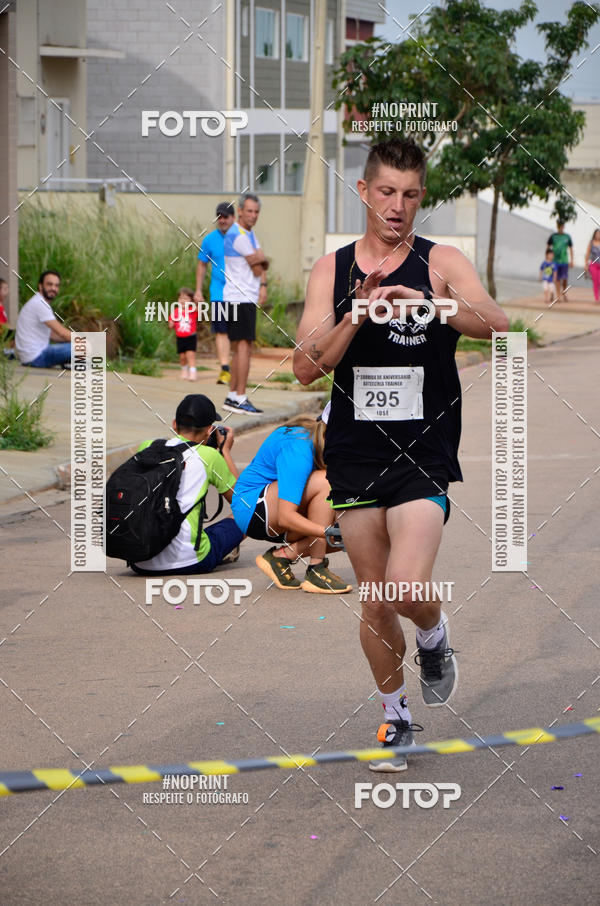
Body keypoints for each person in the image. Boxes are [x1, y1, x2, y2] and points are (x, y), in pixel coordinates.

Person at [294, 137, 509, 771]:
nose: (398, 206)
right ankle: (395, 717)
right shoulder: (330, 271)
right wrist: (358, 312)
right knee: (375, 598)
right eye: (386, 192)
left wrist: (434, 307)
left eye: (411, 195)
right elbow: (307, 366)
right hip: (357, 451)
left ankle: (434, 633)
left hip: (424, 448)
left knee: (407, 585)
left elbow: (496, 322)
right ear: (363, 192)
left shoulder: (441, 259)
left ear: (422, 198)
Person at [231, 413, 351, 593]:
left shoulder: (315, 435)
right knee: (326, 483)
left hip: (268, 509)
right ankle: (316, 569)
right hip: (253, 509)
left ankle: (282, 557)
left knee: (353, 527)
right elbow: (286, 517)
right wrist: (330, 531)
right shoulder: (299, 448)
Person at [130, 394, 244, 575]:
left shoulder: (148, 447)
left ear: (174, 424)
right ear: (209, 431)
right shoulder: (209, 456)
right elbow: (242, 504)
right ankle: (221, 548)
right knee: (246, 517)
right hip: (192, 561)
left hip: (141, 560)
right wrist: (225, 452)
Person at [222, 192, 269, 415]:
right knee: (243, 348)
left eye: (256, 212)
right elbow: (259, 266)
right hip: (239, 297)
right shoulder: (239, 235)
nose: (253, 215)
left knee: (242, 347)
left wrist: (261, 263)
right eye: (249, 211)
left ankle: (232, 396)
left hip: (242, 297)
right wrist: (261, 260)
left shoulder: (249, 234)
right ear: (240, 210)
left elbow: (261, 262)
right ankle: (240, 397)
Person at [195, 202, 236, 385]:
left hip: (239, 294)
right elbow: (202, 264)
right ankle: (225, 369)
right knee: (221, 332)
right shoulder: (210, 240)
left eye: (226, 216)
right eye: (219, 216)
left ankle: (238, 366)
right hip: (218, 293)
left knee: (238, 334)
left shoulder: (241, 238)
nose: (222, 220)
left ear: (233, 218)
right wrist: (197, 290)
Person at [15, 270, 72, 367]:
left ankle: (69, 363)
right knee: (82, 348)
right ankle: (70, 362)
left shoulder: (37, 301)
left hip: (29, 357)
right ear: (40, 286)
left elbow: (52, 335)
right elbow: (62, 332)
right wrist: (86, 341)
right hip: (36, 357)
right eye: (49, 284)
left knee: (77, 346)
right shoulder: (40, 304)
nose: (53, 288)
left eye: (56, 285)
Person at [169, 287, 198, 381]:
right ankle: (184, 371)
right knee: (182, 357)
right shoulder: (176, 311)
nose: (183, 301)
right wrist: (171, 323)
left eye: (185, 299)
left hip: (191, 337)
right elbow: (171, 321)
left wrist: (197, 301)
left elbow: (200, 309)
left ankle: (193, 372)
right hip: (180, 337)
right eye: (181, 298)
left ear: (191, 300)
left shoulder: (192, 310)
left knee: (190, 355)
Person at [547, 221, 574, 299]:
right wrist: (547, 258)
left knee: (565, 278)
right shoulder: (553, 236)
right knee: (557, 278)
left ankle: (564, 292)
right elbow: (548, 247)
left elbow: (571, 248)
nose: (561, 228)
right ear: (557, 226)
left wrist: (572, 260)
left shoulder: (567, 237)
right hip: (555, 261)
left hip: (564, 260)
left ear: (563, 227)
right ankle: (558, 295)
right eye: (559, 226)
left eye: (562, 226)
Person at [584, 228, 600, 303]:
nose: (598, 235)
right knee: (595, 281)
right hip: (593, 264)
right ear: (594, 234)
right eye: (597, 234)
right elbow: (587, 254)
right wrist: (586, 265)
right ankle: (596, 298)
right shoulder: (591, 243)